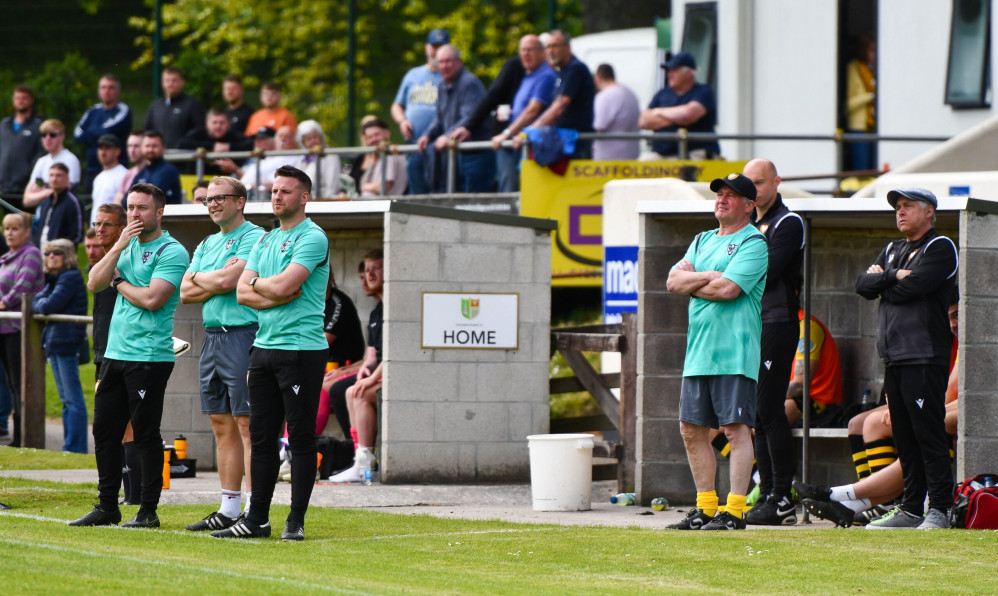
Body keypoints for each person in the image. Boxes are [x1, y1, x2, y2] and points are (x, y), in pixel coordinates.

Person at [218, 165, 328, 541]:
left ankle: (294, 521)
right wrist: (270, 290)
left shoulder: (312, 237)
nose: (277, 196)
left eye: (285, 191)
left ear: (304, 197)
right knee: (262, 437)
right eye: (274, 190)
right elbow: (242, 294)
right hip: (262, 349)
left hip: (300, 350)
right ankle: (256, 520)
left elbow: (284, 285)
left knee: (299, 438)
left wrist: (261, 286)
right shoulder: (264, 240)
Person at [70, 182, 190, 529]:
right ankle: (108, 505)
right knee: (104, 431)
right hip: (115, 354)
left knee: (145, 433)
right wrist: (119, 245)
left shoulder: (172, 251)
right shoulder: (126, 246)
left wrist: (120, 282)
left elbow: (153, 299)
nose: (135, 214)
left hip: (149, 356)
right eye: (131, 207)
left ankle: (148, 510)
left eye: (142, 208)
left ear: (159, 212)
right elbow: (94, 281)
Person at [798, 298, 960, 527]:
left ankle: (846, 496)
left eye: (958, 315)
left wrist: (918, 413)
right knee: (862, 422)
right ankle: (869, 503)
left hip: (957, 415)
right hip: (939, 406)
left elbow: (961, 400)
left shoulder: (967, 343)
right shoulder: (945, 338)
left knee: (919, 429)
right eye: (951, 316)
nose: (955, 323)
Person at [664, 173, 767, 531]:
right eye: (719, 194)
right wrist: (711, 275)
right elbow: (672, 282)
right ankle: (706, 508)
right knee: (691, 430)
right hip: (699, 353)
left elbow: (728, 290)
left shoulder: (753, 243)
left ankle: (735, 511)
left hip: (734, 353)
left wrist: (697, 281)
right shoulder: (702, 239)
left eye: (731, 195)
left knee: (736, 429)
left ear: (749, 205)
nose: (722, 199)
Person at [855, 187, 957, 530]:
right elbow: (861, 285)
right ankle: (911, 508)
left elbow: (917, 286)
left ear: (929, 211)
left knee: (927, 432)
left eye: (908, 206)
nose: (900, 212)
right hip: (894, 357)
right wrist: (892, 276)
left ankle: (941, 508)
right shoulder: (892, 249)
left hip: (924, 355)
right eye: (897, 207)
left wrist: (882, 280)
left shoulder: (940, 247)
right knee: (903, 434)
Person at [180, 176, 264, 532]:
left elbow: (231, 283)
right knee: (220, 423)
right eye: (207, 200)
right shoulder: (206, 242)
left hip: (243, 335)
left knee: (248, 424)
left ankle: (254, 510)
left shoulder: (255, 236)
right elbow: (185, 291)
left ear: (240, 201)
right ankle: (228, 507)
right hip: (212, 338)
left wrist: (205, 278)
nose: (212, 204)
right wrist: (211, 277)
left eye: (220, 198)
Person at [741, 158, 804, 527]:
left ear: (777, 182)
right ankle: (768, 494)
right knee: (758, 414)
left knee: (770, 408)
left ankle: (783, 497)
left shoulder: (788, 222)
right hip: (751, 324)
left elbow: (763, 270)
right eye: (748, 184)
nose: (755, 190)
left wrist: (733, 269)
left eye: (760, 182)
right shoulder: (748, 226)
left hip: (777, 322)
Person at [455, 34, 554, 193]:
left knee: (517, 189)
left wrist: (507, 133)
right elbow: (496, 97)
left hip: (527, 144)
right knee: (510, 187)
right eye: (523, 50)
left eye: (530, 50)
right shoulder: (528, 74)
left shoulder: (545, 75)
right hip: (517, 142)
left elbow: (533, 110)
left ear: (542, 52)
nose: (526, 54)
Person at [89, 203, 141, 504]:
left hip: (127, 354)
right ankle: (119, 495)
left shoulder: (127, 258)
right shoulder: (105, 260)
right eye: (98, 223)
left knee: (131, 427)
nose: (101, 230)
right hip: (104, 354)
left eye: (108, 224)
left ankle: (135, 496)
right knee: (111, 428)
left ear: (123, 228)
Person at [330, 250, 384, 482]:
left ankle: (364, 461)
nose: (369, 274)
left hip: (393, 374)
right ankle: (359, 459)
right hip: (380, 372)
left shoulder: (394, 308)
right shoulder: (375, 312)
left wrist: (370, 378)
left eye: (376, 268)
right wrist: (364, 370)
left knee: (354, 391)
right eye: (366, 269)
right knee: (347, 389)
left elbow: (393, 355)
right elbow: (372, 357)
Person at [31, 238, 88, 453]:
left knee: (72, 399)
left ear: (68, 256)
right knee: (66, 399)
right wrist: (39, 304)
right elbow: (37, 301)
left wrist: (39, 304)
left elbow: (46, 305)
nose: (51, 257)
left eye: (56, 252)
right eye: (47, 253)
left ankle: (76, 447)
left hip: (66, 344)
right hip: (56, 344)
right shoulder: (55, 279)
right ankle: (71, 445)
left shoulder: (70, 277)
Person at [416, 44, 495, 193]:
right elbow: (439, 119)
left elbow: (470, 117)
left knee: (473, 205)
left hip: (474, 155)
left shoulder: (469, 83)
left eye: (448, 61)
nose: (444, 66)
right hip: (453, 157)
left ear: (459, 62)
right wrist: (427, 135)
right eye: (441, 62)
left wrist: (446, 137)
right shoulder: (441, 85)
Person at [0, 212, 45, 448]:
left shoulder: (31, 255)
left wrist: (3, 302)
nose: (9, 233)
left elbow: (22, 287)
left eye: (15, 228)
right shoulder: (8, 257)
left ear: (27, 231)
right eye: (6, 228)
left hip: (19, 329)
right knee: (11, 383)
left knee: (20, 384)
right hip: (4, 329)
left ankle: (24, 436)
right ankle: (18, 436)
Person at [392, 28, 449, 194]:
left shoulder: (450, 76)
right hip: (414, 143)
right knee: (416, 189)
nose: (436, 51)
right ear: (426, 48)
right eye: (434, 46)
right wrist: (402, 121)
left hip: (440, 146)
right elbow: (397, 105)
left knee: (439, 192)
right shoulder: (413, 75)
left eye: (441, 46)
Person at [529, 30, 596, 159]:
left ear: (568, 47)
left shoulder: (575, 68)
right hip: (567, 140)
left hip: (576, 141)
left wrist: (533, 129)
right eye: (548, 47)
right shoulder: (562, 71)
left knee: (576, 179)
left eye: (555, 46)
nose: (550, 51)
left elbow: (560, 105)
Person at [639, 51, 719, 160]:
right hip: (661, 153)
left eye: (674, 70)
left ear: (688, 72)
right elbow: (643, 121)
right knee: (642, 164)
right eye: (669, 70)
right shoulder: (662, 93)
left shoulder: (703, 92)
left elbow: (689, 114)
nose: (669, 74)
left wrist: (658, 112)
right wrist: (679, 117)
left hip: (694, 152)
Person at [784, 311, 843, 428]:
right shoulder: (773, 326)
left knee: (767, 416)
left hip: (817, 403)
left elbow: (799, 387)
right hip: (789, 397)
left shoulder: (807, 327)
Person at [74, 74, 132, 193]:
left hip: (116, 168)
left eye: (111, 87)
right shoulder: (92, 111)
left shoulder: (123, 110)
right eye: (104, 87)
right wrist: (97, 132)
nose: (107, 91)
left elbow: (108, 131)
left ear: (118, 91)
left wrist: (90, 132)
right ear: (99, 90)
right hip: (91, 169)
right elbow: (78, 135)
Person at [0, 85, 45, 207]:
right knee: (9, 223)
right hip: (5, 186)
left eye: (24, 98)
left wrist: (30, 175)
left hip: (26, 187)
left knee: (25, 222)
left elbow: (41, 153)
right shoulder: (4, 124)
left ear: (31, 100)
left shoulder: (38, 125)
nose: (20, 101)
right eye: (17, 98)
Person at [177, 107, 253, 176]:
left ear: (229, 124)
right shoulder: (199, 133)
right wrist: (212, 146)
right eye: (214, 122)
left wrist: (228, 146)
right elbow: (181, 144)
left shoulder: (233, 135)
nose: (218, 126)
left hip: (227, 181)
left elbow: (250, 144)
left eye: (222, 123)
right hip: (196, 179)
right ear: (207, 124)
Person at [144, 66, 206, 149]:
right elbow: (147, 130)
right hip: (159, 156)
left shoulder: (192, 104)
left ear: (182, 82)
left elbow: (200, 129)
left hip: (184, 156)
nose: (170, 84)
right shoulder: (155, 106)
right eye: (167, 80)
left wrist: (184, 141)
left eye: (174, 81)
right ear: (162, 83)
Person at [23, 119, 82, 205]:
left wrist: (41, 192)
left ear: (62, 136)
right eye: (44, 135)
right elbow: (27, 200)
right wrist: (46, 192)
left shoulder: (71, 160)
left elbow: (65, 194)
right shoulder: (41, 161)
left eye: (52, 135)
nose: (48, 138)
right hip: (43, 213)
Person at [592, 64, 641, 160]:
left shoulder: (604, 97)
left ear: (598, 78)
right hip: (632, 155)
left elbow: (597, 128)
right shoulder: (630, 93)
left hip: (609, 159)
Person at [30, 163, 84, 248]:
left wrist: (61, 251)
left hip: (61, 255)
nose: (54, 179)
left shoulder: (73, 203)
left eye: (59, 176)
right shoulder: (45, 202)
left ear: (67, 179)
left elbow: (77, 235)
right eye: (51, 175)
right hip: (41, 254)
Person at [846, 34, 877, 172]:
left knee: (872, 170)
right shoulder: (853, 68)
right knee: (861, 171)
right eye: (871, 50)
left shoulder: (875, 70)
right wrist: (870, 96)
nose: (874, 54)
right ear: (864, 50)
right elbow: (848, 104)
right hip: (859, 128)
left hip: (873, 127)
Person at [359, 119, 407, 197]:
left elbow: (383, 187)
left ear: (387, 134)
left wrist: (366, 186)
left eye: (377, 135)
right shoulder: (376, 156)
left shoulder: (390, 155)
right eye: (370, 137)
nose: (374, 139)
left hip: (385, 206)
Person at [294, 120, 341, 199]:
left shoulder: (330, 156)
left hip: (323, 202)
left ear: (321, 138)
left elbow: (331, 187)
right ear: (303, 143)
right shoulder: (302, 158)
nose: (313, 141)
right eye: (309, 139)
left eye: (315, 137)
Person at [89, 135, 129, 225]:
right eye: (100, 148)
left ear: (118, 151)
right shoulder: (98, 178)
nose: (103, 152)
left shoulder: (125, 175)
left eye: (107, 148)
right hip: (97, 230)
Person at [134, 130, 182, 204]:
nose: (150, 150)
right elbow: (126, 199)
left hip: (167, 215)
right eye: (147, 146)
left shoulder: (168, 171)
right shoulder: (142, 172)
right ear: (142, 148)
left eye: (154, 146)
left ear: (163, 148)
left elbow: (151, 197)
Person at [114, 131, 148, 206]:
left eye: (136, 146)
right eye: (129, 146)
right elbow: (118, 200)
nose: (132, 151)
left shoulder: (151, 172)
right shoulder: (128, 174)